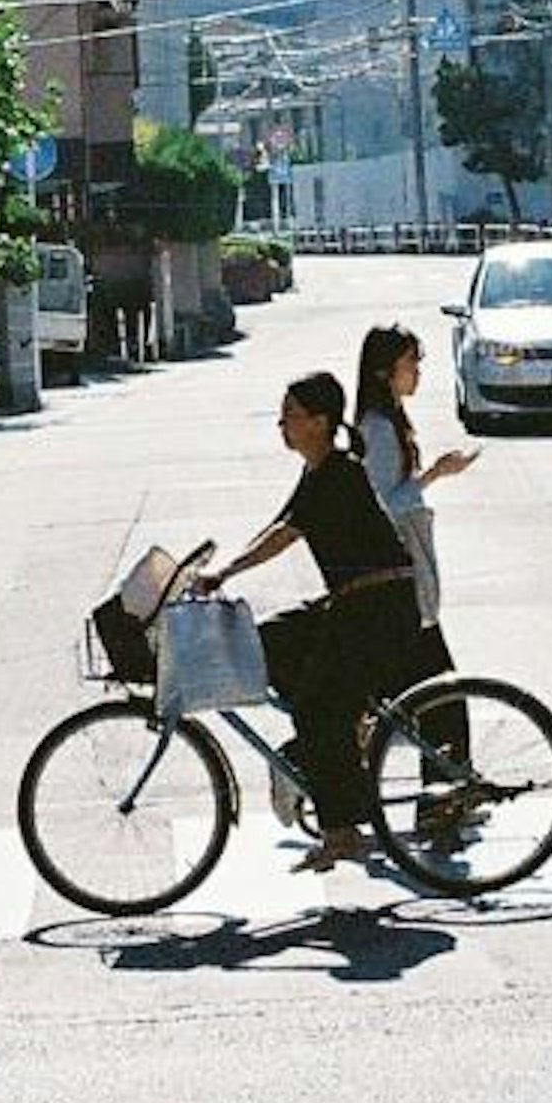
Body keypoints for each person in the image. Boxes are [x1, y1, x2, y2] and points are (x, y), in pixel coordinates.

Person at [191, 372, 425, 873]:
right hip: (352, 602)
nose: (282, 425)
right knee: (268, 642)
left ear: (320, 422)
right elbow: (277, 525)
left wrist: (226, 572)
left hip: (378, 607)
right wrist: (219, 569)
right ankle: (326, 750)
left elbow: (285, 536)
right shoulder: (319, 469)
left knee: (319, 709)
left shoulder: (339, 471)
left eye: (291, 416)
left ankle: (341, 829)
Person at [353, 321, 474, 651]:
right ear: (383, 371)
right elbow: (380, 505)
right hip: (395, 566)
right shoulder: (377, 428)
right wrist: (434, 474)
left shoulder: (390, 419)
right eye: (410, 363)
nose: (417, 371)